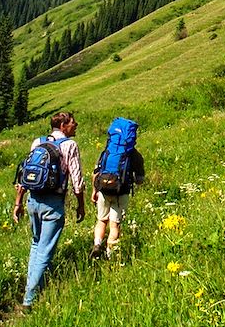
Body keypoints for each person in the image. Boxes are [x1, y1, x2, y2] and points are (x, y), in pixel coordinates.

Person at [13, 111, 85, 310]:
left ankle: (32, 285)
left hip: (33, 200)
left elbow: (26, 175)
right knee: (45, 250)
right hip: (53, 204)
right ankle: (29, 299)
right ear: (63, 126)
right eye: (72, 122)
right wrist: (81, 205)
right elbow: (77, 181)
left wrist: (18, 203)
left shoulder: (38, 142)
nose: (76, 125)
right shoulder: (70, 145)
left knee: (36, 245)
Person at [90, 146, 144, 259]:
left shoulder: (107, 151)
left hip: (104, 191)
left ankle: (97, 244)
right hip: (121, 193)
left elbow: (95, 173)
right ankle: (110, 255)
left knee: (101, 220)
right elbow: (140, 180)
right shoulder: (134, 154)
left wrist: (94, 191)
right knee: (114, 225)